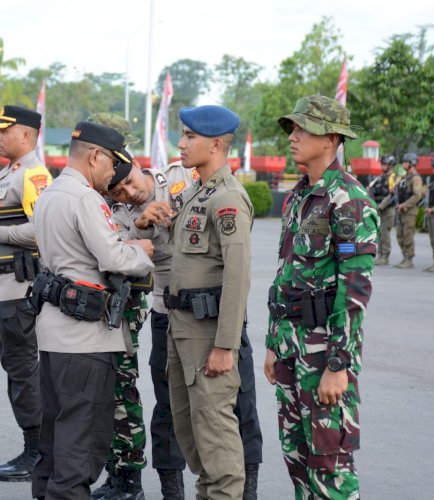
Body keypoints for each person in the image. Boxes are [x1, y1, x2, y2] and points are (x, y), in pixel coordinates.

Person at [29, 122, 155, 499]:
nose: (111, 173)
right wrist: (141, 251)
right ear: (95, 156)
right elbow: (114, 257)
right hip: (85, 341)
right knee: (80, 446)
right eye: (111, 163)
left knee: (52, 441)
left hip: (53, 334)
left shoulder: (51, 193)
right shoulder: (85, 198)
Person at [264, 95, 379, 499]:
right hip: (291, 349)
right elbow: (284, 277)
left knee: (330, 468)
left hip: (323, 356)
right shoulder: (298, 197)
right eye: (293, 129)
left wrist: (338, 364)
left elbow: (355, 290)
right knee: (296, 461)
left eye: (302, 129)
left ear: (330, 139)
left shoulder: (348, 201)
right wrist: (273, 345)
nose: (292, 137)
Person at [166, 104, 252, 499]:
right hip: (181, 333)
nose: (181, 144)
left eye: (190, 137)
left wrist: (225, 345)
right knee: (194, 441)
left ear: (216, 144)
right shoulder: (198, 193)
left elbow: (238, 277)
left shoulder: (228, 198)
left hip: (207, 340)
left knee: (218, 450)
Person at [0, 105, 53, 482]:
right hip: (5, 286)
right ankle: (35, 448)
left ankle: (37, 453)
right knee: (17, 369)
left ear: (28, 136)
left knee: (23, 371)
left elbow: (44, 229)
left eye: (5, 130)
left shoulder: (33, 174)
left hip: (21, 288)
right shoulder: (11, 172)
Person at [393, 152, 423, 269]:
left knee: (408, 235)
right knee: (400, 235)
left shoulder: (416, 178)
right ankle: (404, 257)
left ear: (412, 163)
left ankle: (408, 259)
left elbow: (417, 195)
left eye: (405, 162)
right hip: (401, 210)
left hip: (409, 212)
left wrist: (404, 205)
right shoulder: (405, 178)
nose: (403, 164)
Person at [368, 155, 398, 266]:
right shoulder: (380, 177)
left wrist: (381, 205)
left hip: (387, 209)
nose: (383, 166)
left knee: (385, 233)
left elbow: (392, 194)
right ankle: (380, 254)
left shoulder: (393, 177)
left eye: (385, 164)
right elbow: (370, 189)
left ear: (390, 165)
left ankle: (385, 256)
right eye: (382, 164)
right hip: (378, 207)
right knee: (379, 233)